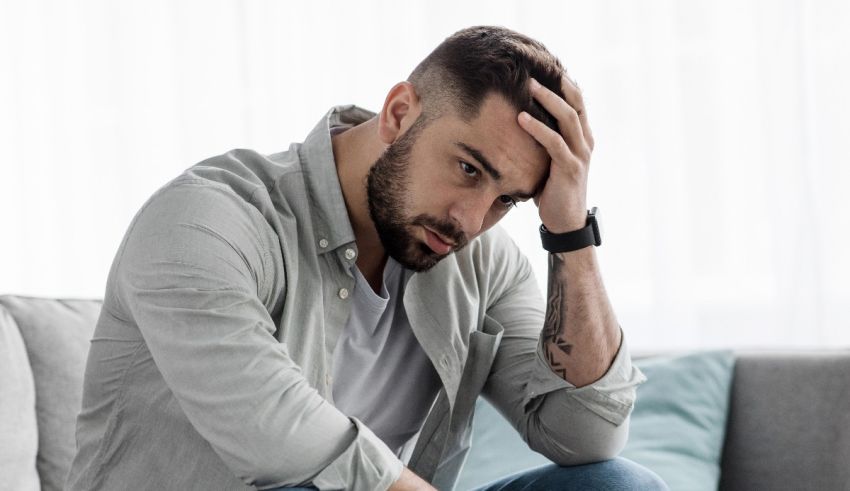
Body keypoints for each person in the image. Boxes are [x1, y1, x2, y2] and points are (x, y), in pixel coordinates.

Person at [67, 26, 667, 490]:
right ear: (400, 112)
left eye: (506, 198)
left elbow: (587, 435)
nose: (470, 219)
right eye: (467, 169)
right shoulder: (207, 221)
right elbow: (283, 445)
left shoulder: (480, 260)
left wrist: (568, 231)